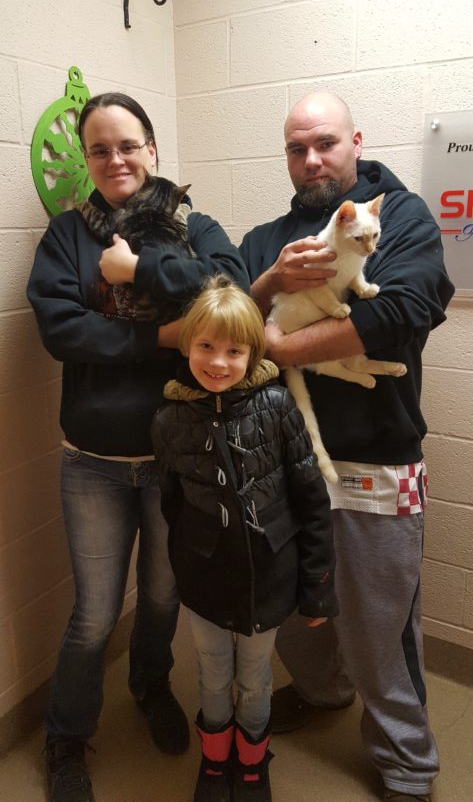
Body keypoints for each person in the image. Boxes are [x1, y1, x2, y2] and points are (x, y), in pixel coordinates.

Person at [27, 92, 250, 802]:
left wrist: (136, 273)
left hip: (175, 456)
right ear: (86, 161)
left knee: (160, 595)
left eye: (127, 145)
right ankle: (66, 738)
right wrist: (162, 336)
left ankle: (150, 686)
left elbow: (233, 289)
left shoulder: (193, 225)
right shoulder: (67, 236)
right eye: (99, 149)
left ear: (152, 149)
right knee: (95, 615)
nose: (114, 159)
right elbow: (62, 329)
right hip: (91, 461)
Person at [239, 91, 455, 802]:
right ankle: (321, 691)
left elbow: (407, 307)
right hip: (282, 457)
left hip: (375, 456)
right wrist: (269, 283)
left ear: (354, 143)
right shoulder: (266, 240)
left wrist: (281, 345)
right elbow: (227, 323)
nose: (311, 160)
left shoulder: (402, 217)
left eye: (325, 143)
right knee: (292, 609)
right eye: (296, 148)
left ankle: (406, 766)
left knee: (378, 628)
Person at [151, 275, 338, 802]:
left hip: (268, 575)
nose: (218, 362)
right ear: (187, 345)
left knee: (255, 677)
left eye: (234, 351)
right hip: (205, 578)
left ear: (253, 353)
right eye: (206, 346)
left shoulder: (278, 407)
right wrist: (188, 561)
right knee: (213, 674)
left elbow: (311, 500)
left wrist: (317, 587)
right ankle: (215, 761)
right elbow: (172, 503)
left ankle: (253, 764)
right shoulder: (168, 420)